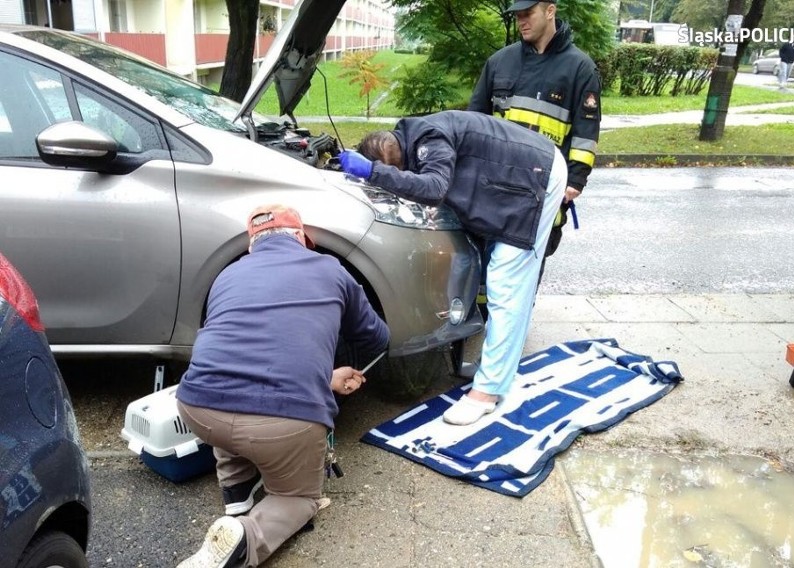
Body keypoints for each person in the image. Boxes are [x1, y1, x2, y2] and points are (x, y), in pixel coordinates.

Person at [175, 204, 389, 568]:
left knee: (232, 405)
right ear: (305, 241)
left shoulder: (227, 275)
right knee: (298, 499)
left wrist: (322, 376)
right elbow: (376, 336)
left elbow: (241, 349)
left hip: (199, 406)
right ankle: (246, 536)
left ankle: (237, 495)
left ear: (251, 246)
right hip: (284, 423)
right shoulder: (329, 268)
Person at [338, 110, 568, 426]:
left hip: (534, 175)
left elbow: (433, 187)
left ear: (398, 162)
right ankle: (499, 369)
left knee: (507, 281)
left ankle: (488, 392)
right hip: (518, 172)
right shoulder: (415, 137)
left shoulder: (429, 140)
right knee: (501, 277)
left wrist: (373, 173)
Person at [468, 0, 601, 259]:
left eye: (528, 14)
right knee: (481, 277)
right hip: (495, 189)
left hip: (543, 192)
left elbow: (586, 134)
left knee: (521, 284)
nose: (521, 22)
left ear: (550, 11)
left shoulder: (580, 69)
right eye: (518, 16)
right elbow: (473, 122)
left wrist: (575, 180)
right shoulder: (499, 62)